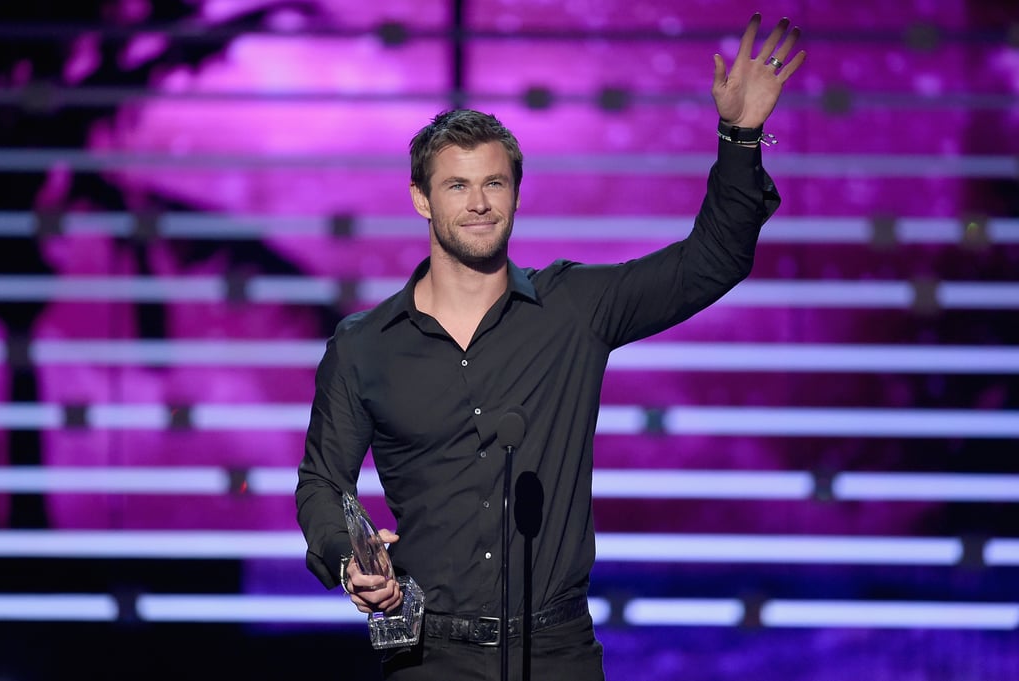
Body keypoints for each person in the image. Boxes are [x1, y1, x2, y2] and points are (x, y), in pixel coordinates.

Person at [296, 12, 805, 680]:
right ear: (421, 199)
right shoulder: (364, 346)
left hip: (557, 652)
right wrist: (348, 558)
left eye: (495, 183)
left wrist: (739, 138)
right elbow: (322, 482)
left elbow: (710, 261)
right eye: (457, 185)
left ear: (515, 193)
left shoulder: (573, 308)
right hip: (430, 657)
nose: (479, 203)